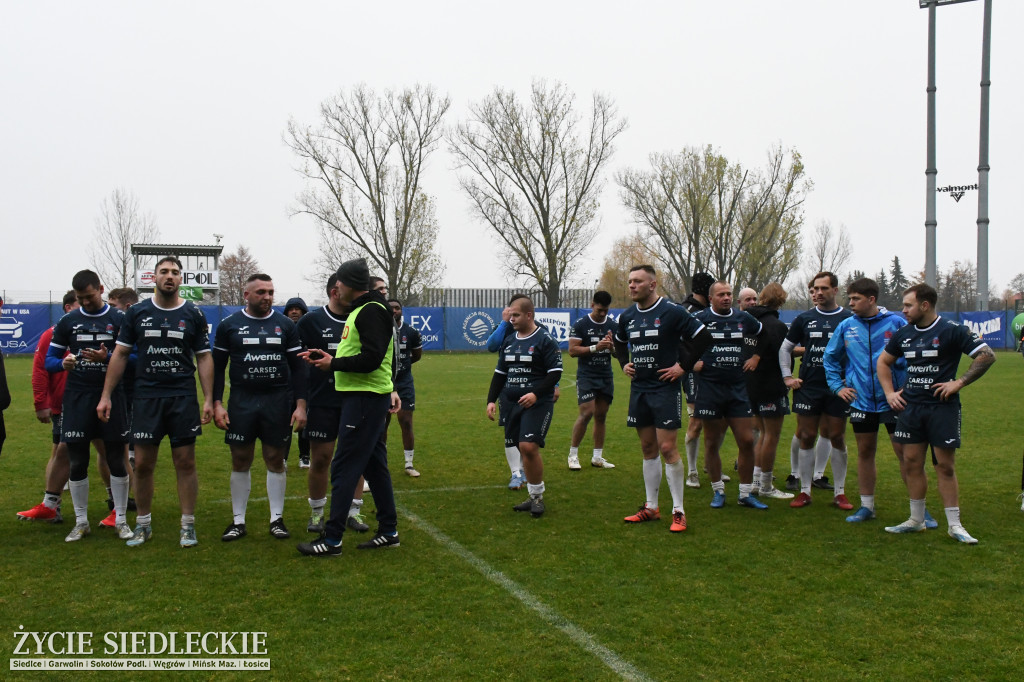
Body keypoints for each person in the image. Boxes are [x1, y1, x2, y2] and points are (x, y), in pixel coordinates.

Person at [98, 255, 214, 548]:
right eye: (164, 271)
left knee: (185, 462)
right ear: (154, 277)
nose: (170, 276)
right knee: (145, 463)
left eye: (175, 272)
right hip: (147, 397)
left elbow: (203, 357)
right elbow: (121, 355)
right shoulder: (135, 313)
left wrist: (210, 399)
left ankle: (187, 526)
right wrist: (106, 395)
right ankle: (144, 524)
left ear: (181, 279)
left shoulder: (194, 314)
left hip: (182, 397)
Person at [297, 258, 401, 557]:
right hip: (362, 396)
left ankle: (331, 540)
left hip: (365, 398)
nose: (335, 289)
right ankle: (389, 531)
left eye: (338, 284)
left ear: (347, 285)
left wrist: (333, 364)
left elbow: (371, 358)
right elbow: (363, 353)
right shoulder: (365, 309)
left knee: (344, 466)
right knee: (375, 466)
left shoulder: (370, 310)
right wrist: (329, 357)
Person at [878, 283, 995, 544]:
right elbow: (883, 362)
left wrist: (959, 382)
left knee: (944, 465)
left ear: (925, 305)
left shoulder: (952, 330)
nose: (903, 310)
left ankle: (955, 525)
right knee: (911, 463)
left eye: (908, 305)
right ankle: (916, 520)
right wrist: (889, 393)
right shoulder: (904, 334)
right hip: (911, 408)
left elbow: (986, 355)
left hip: (943, 408)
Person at [823, 278, 940, 525]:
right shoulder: (846, 326)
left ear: (871, 299)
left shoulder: (897, 323)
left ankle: (920, 511)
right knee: (865, 451)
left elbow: (914, 358)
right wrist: (838, 387)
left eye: (855, 299)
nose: (850, 303)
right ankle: (867, 507)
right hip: (861, 401)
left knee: (905, 455)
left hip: (894, 401)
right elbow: (830, 359)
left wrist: (905, 389)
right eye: (850, 298)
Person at [613, 265, 712, 532]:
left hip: (664, 389)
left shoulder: (673, 312)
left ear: (653, 284)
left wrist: (683, 366)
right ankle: (651, 507)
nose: (631, 286)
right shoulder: (628, 316)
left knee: (667, 448)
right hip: (639, 390)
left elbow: (703, 337)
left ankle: (678, 511)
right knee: (648, 449)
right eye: (630, 281)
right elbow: (619, 342)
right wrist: (624, 363)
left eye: (637, 281)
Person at [212, 274, 307, 542]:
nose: (267, 297)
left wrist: (301, 406)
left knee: (275, 459)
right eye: (261, 292)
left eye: (271, 292)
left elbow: (299, 369)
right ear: (246, 295)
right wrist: (217, 403)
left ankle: (277, 519)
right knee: (240, 459)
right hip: (242, 401)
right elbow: (217, 369)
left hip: (277, 401)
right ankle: (238, 521)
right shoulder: (229, 325)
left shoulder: (286, 325)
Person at [45, 270, 133, 542]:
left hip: (113, 396)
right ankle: (81, 522)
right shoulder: (68, 321)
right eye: (80, 299)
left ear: (101, 289)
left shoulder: (119, 319)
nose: (85, 303)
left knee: (116, 458)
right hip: (78, 397)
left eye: (89, 297)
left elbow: (136, 356)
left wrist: (109, 360)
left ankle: (121, 519)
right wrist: (64, 364)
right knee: (77, 460)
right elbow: (49, 359)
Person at [18, 291, 119, 524]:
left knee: (110, 452)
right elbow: (43, 367)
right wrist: (41, 402)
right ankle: (51, 505)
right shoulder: (55, 333)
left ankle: (117, 506)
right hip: (68, 404)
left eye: (89, 302)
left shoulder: (108, 326)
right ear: (67, 308)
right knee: (63, 450)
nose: (85, 309)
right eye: (80, 304)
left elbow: (125, 358)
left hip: (104, 400)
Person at [296, 275, 370, 534]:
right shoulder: (311, 322)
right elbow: (299, 367)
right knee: (321, 458)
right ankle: (317, 513)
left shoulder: (363, 318)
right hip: (323, 401)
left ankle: (354, 511)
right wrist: (301, 404)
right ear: (334, 291)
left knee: (356, 457)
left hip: (356, 398)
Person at [691, 281, 768, 509]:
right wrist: (691, 362)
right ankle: (718, 491)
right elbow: (680, 342)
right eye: (721, 295)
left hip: (737, 388)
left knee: (746, 440)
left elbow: (765, 335)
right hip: (709, 388)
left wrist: (755, 357)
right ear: (711, 298)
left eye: (729, 294)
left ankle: (745, 494)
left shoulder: (743, 318)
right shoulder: (701, 318)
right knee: (712, 442)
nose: (726, 298)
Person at [779, 272, 852, 508]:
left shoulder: (849, 318)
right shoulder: (804, 318)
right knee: (807, 435)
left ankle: (840, 493)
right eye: (815, 289)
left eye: (824, 288)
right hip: (809, 386)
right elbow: (785, 349)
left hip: (838, 388)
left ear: (835, 290)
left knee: (837, 436)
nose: (818, 293)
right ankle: (805, 490)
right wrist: (787, 377)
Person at [486, 296, 562, 517]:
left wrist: (536, 394)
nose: (511, 319)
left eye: (516, 315)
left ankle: (537, 497)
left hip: (538, 402)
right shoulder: (509, 341)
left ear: (529, 315)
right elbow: (500, 374)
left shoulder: (545, 339)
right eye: (510, 315)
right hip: (511, 402)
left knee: (528, 446)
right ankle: (532, 495)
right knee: (520, 446)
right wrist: (491, 400)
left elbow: (555, 373)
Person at [742, 283, 795, 500]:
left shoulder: (748, 321)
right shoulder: (776, 325)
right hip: (771, 386)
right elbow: (781, 355)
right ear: (781, 300)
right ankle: (765, 485)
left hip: (750, 385)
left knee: (760, 434)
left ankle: (755, 482)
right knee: (770, 435)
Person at [681, 272, 725, 488]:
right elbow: (676, 341)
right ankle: (692, 472)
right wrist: (690, 361)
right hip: (694, 375)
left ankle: (711, 464)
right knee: (696, 422)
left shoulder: (712, 312)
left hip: (715, 374)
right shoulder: (686, 312)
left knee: (720, 421)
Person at [566, 290, 617, 471]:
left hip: (606, 375)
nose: (602, 314)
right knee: (586, 413)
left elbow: (619, 353)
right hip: (587, 375)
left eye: (605, 310)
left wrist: (611, 348)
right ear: (592, 305)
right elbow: (572, 350)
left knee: (601, 415)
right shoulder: (581, 324)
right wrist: (596, 347)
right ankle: (573, 455)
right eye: (599, 310)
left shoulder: (612, 325)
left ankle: (597, 457)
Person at [388, 298, 423, 477]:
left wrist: (402, 367)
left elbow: (416, 355)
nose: (394, 311)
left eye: (397, 308)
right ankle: (381, 463)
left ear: (401, 311)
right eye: (391, 308)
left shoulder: (411, 332)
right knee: (381, 425)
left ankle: (409, 464)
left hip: (404, 383)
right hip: (384, 383)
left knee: (406, 422)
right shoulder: (380, 330)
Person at [283, 297, 312, 470]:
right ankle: (283, 458)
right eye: (291, 309)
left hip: (306, 383)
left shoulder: (310, 330)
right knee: (285, 422)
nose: (294, 311)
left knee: (305, 420)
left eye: (298, 309)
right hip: (285, 384)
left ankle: (305, 456)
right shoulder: (281, 330)